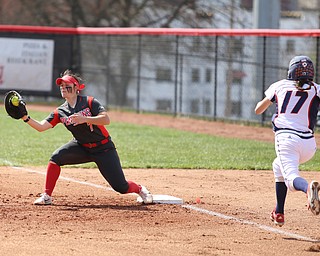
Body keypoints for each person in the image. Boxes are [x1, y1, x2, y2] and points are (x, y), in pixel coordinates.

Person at [20, 69, 153, 205]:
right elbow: (41, 127)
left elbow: (105, 119)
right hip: (81, 147)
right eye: (61, 85)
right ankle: (47, 196)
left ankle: (140, 189)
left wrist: (85, 119)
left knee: (121, 187)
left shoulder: (89, 102)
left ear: (77, 88)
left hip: (103, 148)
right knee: (56, 158)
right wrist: (25, 117)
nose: (63, 88)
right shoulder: (60, 111)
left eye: (67, 85)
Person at [254, 55, 320, 227]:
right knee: (278, 166)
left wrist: (270, 101)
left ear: (291, 71)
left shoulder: (280, 85)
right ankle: (279, 212)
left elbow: (258, 110)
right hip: (309, 145)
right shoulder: (317, 89)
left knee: (291, 177)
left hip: (287, 140)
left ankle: (308, 190)